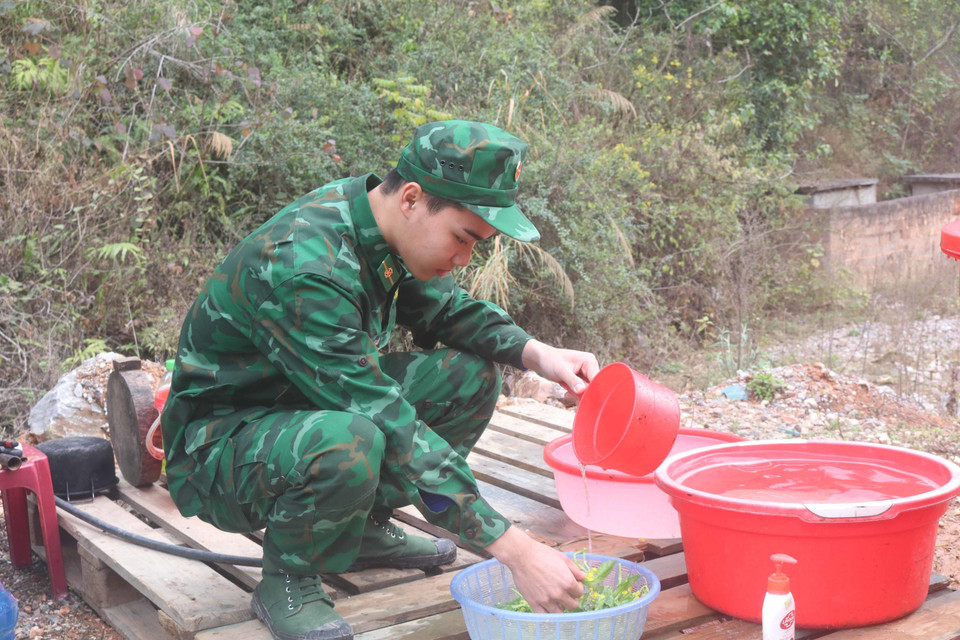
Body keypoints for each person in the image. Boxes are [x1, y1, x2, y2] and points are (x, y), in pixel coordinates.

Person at [161, 120, 600, 640]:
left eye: (476, 245)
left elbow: (448, 311)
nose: (464, 258)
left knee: (469, 376)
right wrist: (515, 549)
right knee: (354, 437)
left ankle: (362, 528)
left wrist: (539, 355)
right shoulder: (307, 269)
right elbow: (385, 419)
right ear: (412, 198)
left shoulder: (378, 221)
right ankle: (288, 579)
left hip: (304, 407)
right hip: (221, 447)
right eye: (463, 238)